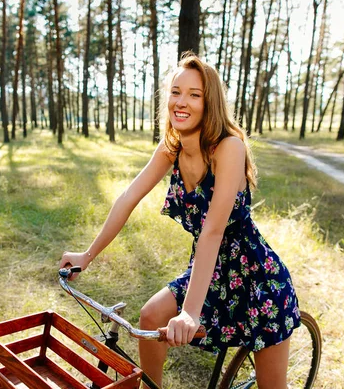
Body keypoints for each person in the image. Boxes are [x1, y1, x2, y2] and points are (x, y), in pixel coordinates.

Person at [59, 53, 301, 389]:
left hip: (256, 280)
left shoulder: (228, 148)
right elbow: (128, 198)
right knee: (150, 315)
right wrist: (88, 255)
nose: (181, 102)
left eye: (194, 94)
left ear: (209, 102)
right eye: (175, 92)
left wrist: (189, 313)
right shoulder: (171, 147)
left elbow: (214, 232)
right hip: (210, 273)